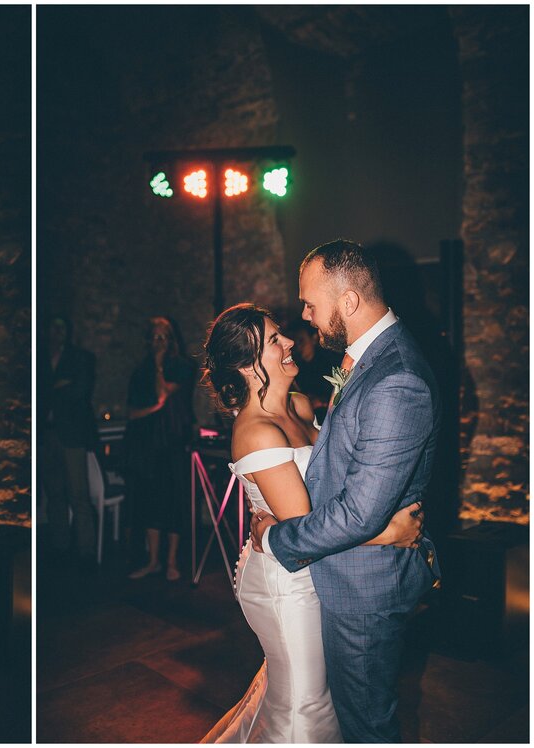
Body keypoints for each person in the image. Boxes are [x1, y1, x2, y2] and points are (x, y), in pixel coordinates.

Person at [199, 302, 424, 743]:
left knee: (311, 690)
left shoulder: (299, 405)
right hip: (285, 579)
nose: (288, 342)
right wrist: (388, 532)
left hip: (317, 562)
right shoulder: (257, 431)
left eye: (281, 334)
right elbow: (305, 527)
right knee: (306, 700)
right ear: (246, 366)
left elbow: (339, 473)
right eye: (273, 341)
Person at [252, 239, 441, 742]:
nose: (306, 316)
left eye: (312, 303)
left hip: (365, 590)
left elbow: (359, 513)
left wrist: (274, 538)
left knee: (366, 726)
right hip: (350, 573)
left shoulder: (395, 378)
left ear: (350, 302)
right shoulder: (367, 359)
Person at [125, 316, 196, 582]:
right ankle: (153, 561)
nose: (159, 343)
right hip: (147, 444)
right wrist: (152, 408)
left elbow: (163, 394)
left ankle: (171, 562)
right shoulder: (140, 371)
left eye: (163, 337)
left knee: (174, 501)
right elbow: (132, 410)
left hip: (174, 440)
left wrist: (158, 368)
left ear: (171, 339)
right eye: (154, 338)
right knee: (151, 501)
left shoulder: (182, 366)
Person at [40, 315, 97, 562]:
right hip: (46, 433)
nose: (57, 332)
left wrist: (51, 387)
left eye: (62, 328)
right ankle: (59, 546)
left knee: (79, 495)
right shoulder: (39, 357)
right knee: (54, 494)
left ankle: (86, 552)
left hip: (71, 435)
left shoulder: (79, 358)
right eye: (53, 327)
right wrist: (58, 385)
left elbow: (80, 391)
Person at [283, 317, 339, 423]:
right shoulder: (296, 368)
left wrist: (323, 401)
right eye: (295, 342)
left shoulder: (330, 362)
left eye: (301, 341)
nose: (298, 347)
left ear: (313, 339)